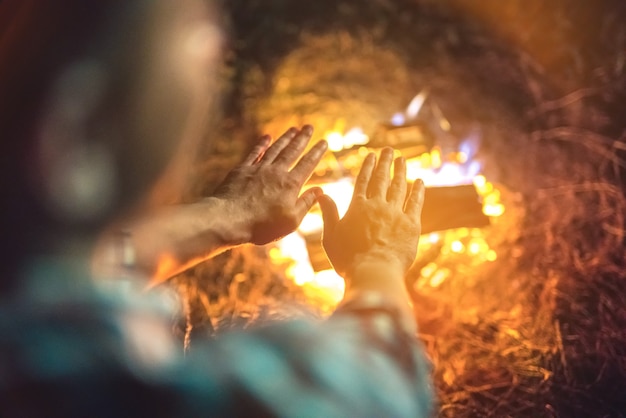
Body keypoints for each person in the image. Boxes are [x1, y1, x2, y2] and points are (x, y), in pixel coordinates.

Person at [0, 0, 434, 417]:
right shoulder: (116, 392)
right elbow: (369, 390)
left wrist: (224, 216)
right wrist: (377, 262)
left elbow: (74, 268)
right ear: (71, 136)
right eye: (194, 34)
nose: (217, 52)